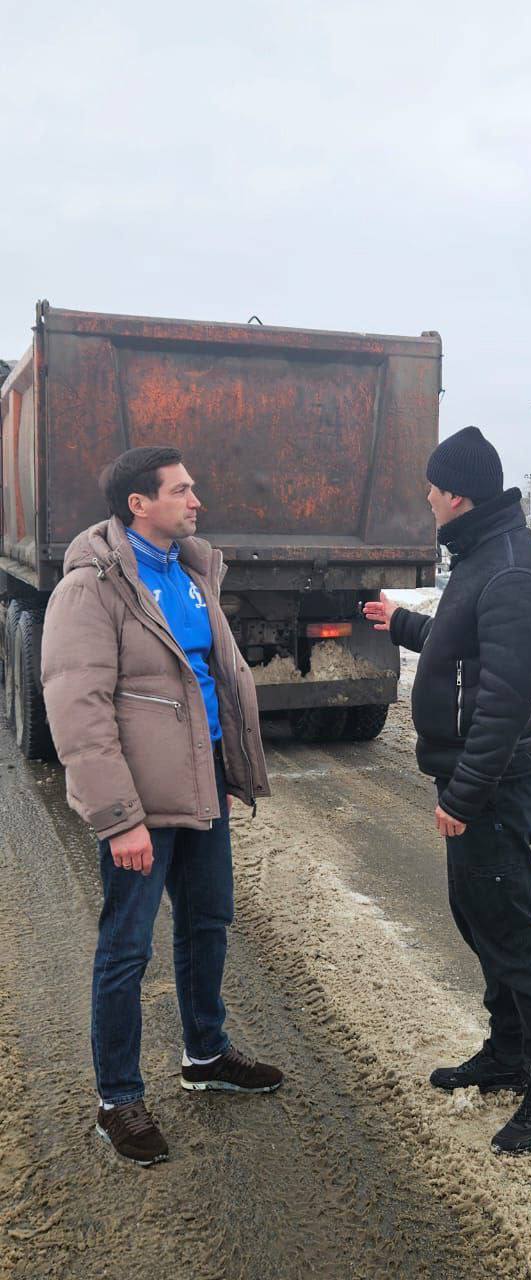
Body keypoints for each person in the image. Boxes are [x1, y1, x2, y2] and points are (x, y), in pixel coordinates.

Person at [41, 446, 281, 1167]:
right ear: (138, 504)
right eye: (181, 490)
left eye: (193, 488)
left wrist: (229, 773)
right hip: (140, 804)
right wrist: (119, 819)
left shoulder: (192, 572)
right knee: (127, 949)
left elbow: (212, 683)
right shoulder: (93, 587)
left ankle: (204, 1054)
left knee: (208, 924)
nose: (195, 499)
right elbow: (79, 712)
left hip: (201, 786)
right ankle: (118, 1098)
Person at [364, 426, 531, 1156]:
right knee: (478, 917)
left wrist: (465, 794)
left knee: (509, 929)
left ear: (457, 493)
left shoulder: (509, 568)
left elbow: (507, 699)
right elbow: (468, 648)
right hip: (471, 777)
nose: (425, 500)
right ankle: (507, 1051)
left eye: (431, 488)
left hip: (493, 782)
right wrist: (404, 624)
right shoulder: (484, 555)